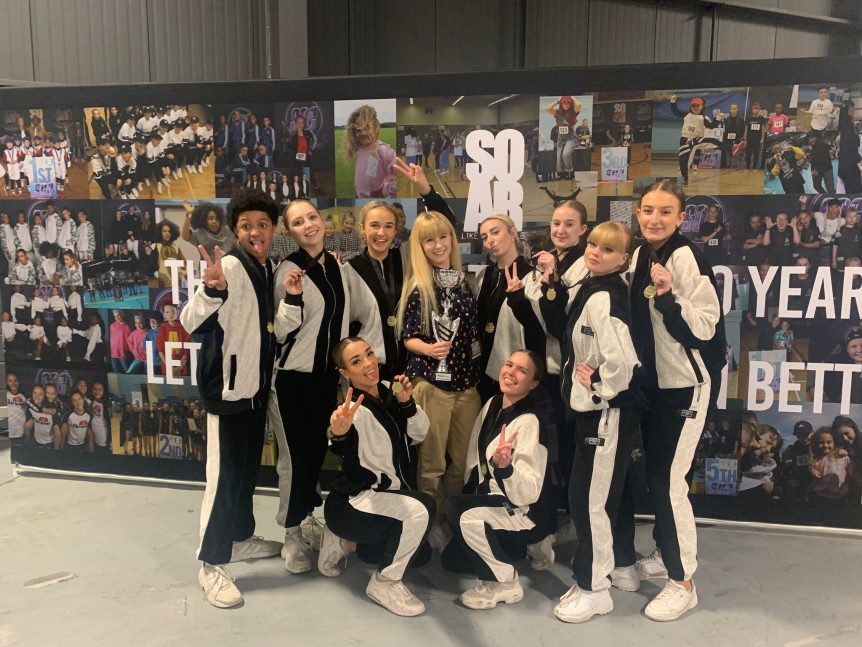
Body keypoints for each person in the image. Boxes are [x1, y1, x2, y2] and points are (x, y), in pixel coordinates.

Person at [620, 180, 725, 621]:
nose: (654, 219)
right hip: (655, 386)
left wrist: (667, 299)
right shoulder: (643, 253)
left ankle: (683, 582)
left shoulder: (685, 256)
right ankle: (665, 554)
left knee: (667, 482)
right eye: (647, 210)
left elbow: (705, 326)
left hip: (686, 384)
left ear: (682, 218)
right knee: (658, 476)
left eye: (665, 212)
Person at [179, 188, 284, 609]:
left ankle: (239, 538)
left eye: (262, 224)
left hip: (254, 392)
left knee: (243, 476)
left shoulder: (266, 266)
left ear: (272, 229)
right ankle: (211, 565)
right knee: (222, 482)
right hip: (227, 393)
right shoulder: (232, 266)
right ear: (235, 231)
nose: (255, 232)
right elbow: (189, 322)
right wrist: (211, 289)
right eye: (246, 226)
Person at [273, 198, 384, 574]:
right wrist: (291, 296)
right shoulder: (289, 270)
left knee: (317, 454)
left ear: (322, 222)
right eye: (298, 222)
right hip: (291, 381)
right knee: (294, 458)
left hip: (325, 381)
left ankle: (305, 519)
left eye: (312, 217)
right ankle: (291, 535)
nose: (309, 225)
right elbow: (281, 330)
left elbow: (364, 312)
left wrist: (364, 360)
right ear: (290, 232)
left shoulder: (337, 266)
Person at [553, 221, 641, 623]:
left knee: (591, 504)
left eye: (607, 250)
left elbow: (622, 364)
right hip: (593, 415)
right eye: (592, 245)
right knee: (584, 498)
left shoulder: (607, 297)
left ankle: (595, 588)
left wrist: (597, 389)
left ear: (623, 258)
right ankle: (593, 578)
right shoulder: (591, 286)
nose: (595, 253)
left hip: (605, 417)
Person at [318, 337, 433, 616]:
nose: (369, 364)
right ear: (345, 373)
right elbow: (341, 443)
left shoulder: (388, 391)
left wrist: (407, 404)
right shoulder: (350, 412)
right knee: (422, 511)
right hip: (354, 504)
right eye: (357, 361)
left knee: (421, 554)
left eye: (369, 354)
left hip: (387, 500)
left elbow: (419, 433)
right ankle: (385, 582)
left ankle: (344, 542)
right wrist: (340, 432)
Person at [442, 350, 553, 609]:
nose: (511, 373)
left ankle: (504, 582)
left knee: (458, 511)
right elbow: (474, 459)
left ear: (533, 383)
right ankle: (516, 549)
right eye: (509, 365)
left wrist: (506, 470)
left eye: (522, 371)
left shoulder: (530, 422)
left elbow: (530, 492)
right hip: (493, 501)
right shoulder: (492, 403)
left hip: (523, 511)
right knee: (452, 561)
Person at [396, 210, 481, 550]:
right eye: (429, 239)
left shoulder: (460, 280)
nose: (438, 244)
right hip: (432, 385)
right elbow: (407, 336)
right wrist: (430, 350)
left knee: (461, 464)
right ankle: (428, 524)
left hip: (467, 385)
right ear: (419, 245)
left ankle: (453, 520)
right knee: (431, 465)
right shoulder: (420, 285)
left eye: (443, 237)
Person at [475, 214, 545, 402]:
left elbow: (538, 331)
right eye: (484, 236)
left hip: (513, 374)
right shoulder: (485, 276)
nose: (490, 240)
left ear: (513, 232)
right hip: (484, 371)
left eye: (495, 232)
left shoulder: (532, 277)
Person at [344, 105, 396, 198]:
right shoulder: (360, 149)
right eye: (358, 130)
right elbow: (368, 176)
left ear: (375, 127)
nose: (363, 133)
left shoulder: (384, 151)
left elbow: (398, 178)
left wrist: (383, 191)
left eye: (367, 128)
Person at [669, 95, 720, 185]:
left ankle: (731, 147)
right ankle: (685, 178)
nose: (696, 108)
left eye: (698, 106)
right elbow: (675, 111)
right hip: (685, 139)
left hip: (697, 140)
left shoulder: (703, 118)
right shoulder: (686, 115)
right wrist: (673, 102)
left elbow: (711, 126)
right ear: (691, 106)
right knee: (683, 160)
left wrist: (718, 118)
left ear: (702, 107)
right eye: (694, 106)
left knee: (715, 143)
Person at [546, 96, 581, 178]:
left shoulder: (573, 112)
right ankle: (562, 175)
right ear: (561, 104)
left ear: (570, 104)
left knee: (565, 154)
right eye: (564, 103)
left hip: (570, 138)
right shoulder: (558, 113)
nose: (566, 105)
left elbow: (579, 104)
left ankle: (570, 170)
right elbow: (548, 108)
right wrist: (557, 101)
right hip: (560, 138)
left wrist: (572, 98)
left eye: (568, 103)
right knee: (558, 160)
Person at [743, 103, 768, 170]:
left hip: (757, 139)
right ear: (752, 110)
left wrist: (762, 138)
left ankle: (754, 166)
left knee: (756, 153)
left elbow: (763, 129)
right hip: (749, 138)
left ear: (759, 110)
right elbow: (746, 129)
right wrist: (745, 139)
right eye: (754, 109)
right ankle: (747, 166)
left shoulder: (761, 119)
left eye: (757, 109)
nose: (755, 110)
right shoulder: (749, 118)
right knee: (748, 153)